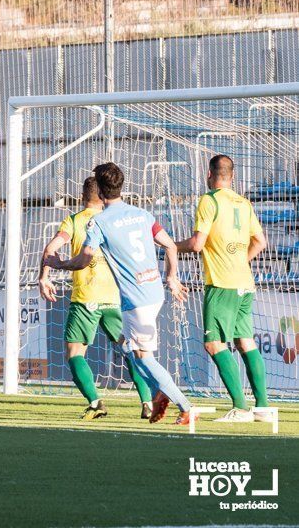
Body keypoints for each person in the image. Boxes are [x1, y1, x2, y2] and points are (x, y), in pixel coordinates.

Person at [45, 162, 194, 425]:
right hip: (152, 291)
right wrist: (171, 278)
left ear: (101, 192)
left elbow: (82, 261)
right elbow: (171, 246)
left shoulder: (98, 222)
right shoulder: (143, 215)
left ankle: (184, 406)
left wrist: (59, 264)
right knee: (129, 347)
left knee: (144, 358)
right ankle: (156, 395)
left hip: (135, 299)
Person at [39, 177, 153, 419]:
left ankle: (95, 402)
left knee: (75, 353)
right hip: (117, 298)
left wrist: (44, 277)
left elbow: (50, 249)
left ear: (82, 195)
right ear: (102, 195)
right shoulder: (117, 219)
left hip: (86, 299)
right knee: (133, 351)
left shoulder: (73, 221)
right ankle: (147, 402)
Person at [176, 155, 270, 422]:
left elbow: (196, 244)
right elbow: (260, 241)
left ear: (209, 174)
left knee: (214, 343)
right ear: (233, 176)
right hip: (244, 282)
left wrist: (170, 245)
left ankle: (240, 408)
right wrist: (240, 260)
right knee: (245, 341)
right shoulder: (244, 202)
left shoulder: (210, 200)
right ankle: (262, 406)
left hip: (222, 283)